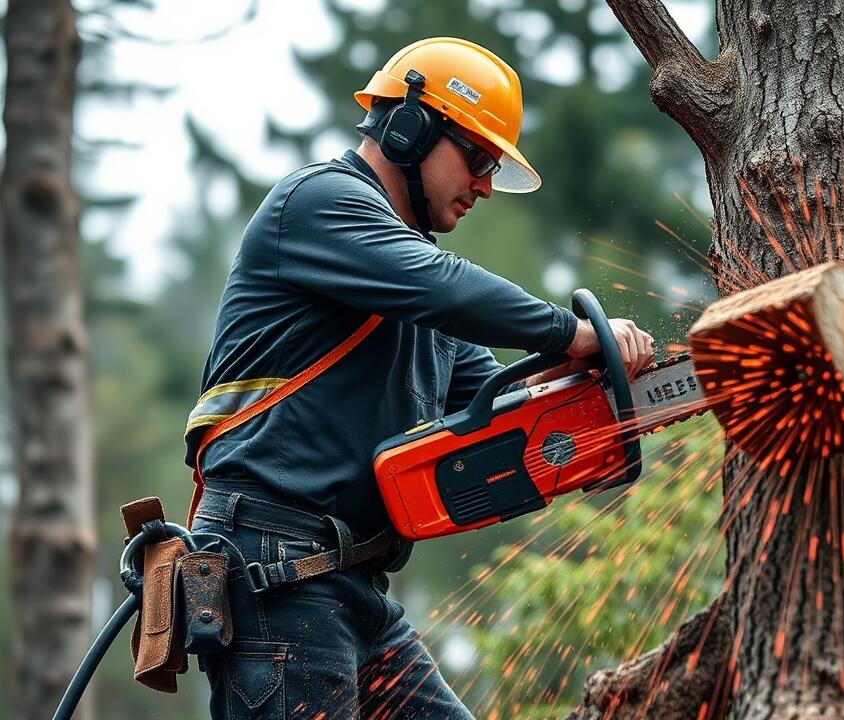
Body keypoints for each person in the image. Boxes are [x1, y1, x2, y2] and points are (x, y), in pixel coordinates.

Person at [184, 37, 654, 719]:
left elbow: (496, 399)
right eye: (479, 159)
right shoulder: (321, 204)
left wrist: (602, 390)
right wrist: (572, 330)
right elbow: (439, 285)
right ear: (411, 127)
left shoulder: (416, 302)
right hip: (279, 571)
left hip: (354, 584)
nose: (486, 186)